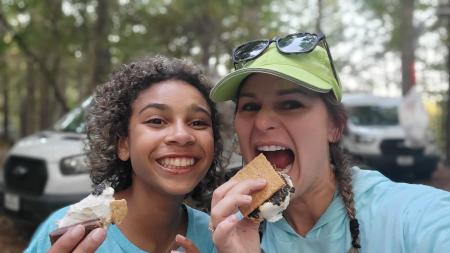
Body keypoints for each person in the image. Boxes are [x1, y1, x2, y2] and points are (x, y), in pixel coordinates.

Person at [208, 32, 450, 252]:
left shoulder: (411, 216)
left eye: (291, 104)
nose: (261, 122)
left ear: (335, 126)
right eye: (250, 107)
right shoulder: (229, 232)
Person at [25, 55, 224, 253]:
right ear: (123, 145)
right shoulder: (66, 234)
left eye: (198, 122)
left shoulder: (220, 237)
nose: (182, 136)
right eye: (156, 121)